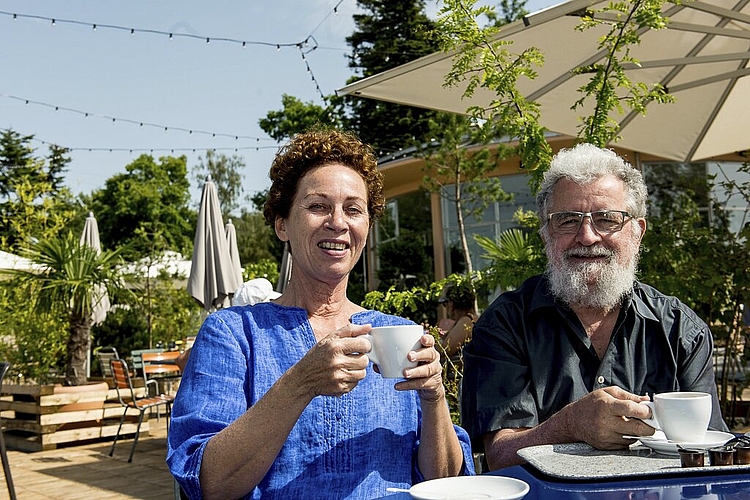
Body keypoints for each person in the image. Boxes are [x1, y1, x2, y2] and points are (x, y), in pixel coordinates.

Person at [167, 129, 474, 499]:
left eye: (354, 209)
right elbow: (210, 484)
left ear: (367, 227)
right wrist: (300, 383)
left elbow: (446, 483)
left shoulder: (398, 332)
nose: (338, 222)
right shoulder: (234, 334)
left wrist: (434, 396)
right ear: (282, 224)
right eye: (317, 206)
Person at [460, 143, 729, 471]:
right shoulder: (506, 325)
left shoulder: (681, 330)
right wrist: (570, 425)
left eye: (606, 219)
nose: (587, 236)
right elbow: (499, 456)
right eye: (567, 221)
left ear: (637, 232)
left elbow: (712, 449)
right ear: (546, 234)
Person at [437, 282, 476, 358]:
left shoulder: (466, 321)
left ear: (451, 304)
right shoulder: (472, 319)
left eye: (445, 304)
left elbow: (444, 350)